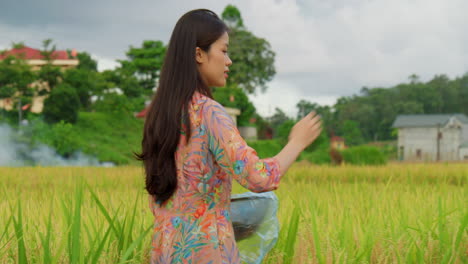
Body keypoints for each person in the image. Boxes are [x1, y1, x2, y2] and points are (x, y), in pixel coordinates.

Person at [135, 9, 322, 264]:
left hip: (165, 254)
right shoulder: (208, 112)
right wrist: (297, 142)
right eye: (223, 51)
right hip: (209, 254)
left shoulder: (159, 117)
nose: (229, 60)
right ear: (198, 54)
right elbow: (258, 177)